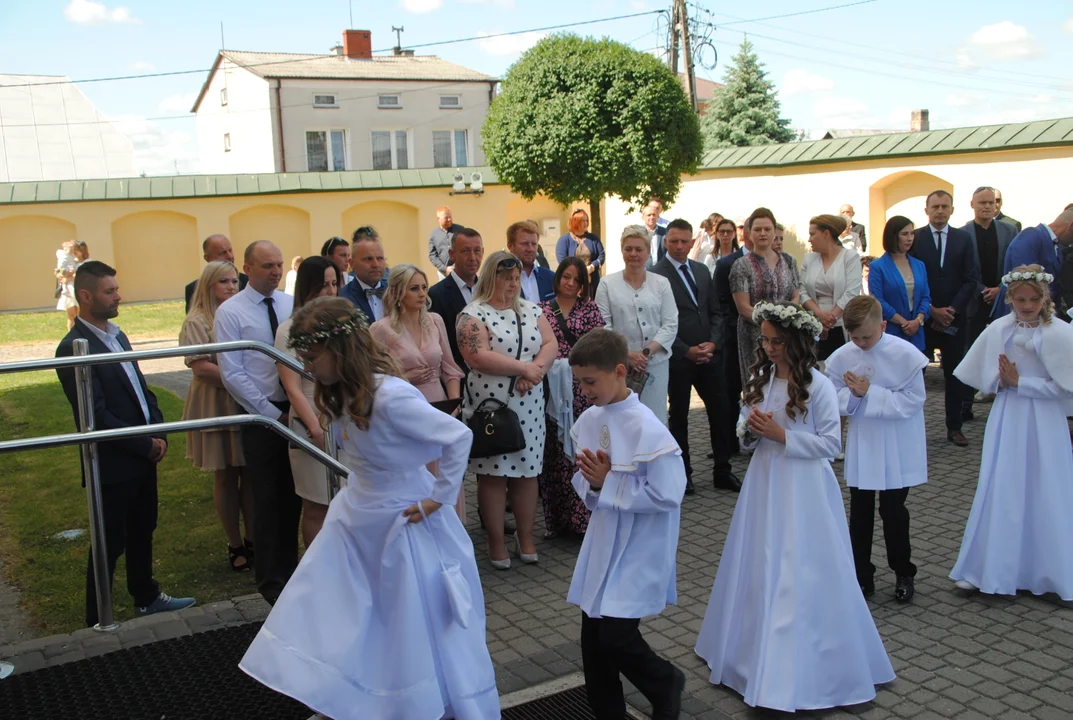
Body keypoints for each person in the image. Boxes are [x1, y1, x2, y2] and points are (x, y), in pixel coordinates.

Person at [240, 297, 500, 720]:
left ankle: (418, 700)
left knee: (407, 620)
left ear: (340, 350)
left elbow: (456, 437)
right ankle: (354, 695)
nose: (307, 367)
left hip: (403, 519)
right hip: (358, 516)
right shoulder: (342, 394)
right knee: (347, 614)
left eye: (312, 357)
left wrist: (439, 497)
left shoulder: (391, 396)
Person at [695, 301, 894, 712]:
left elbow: (831, 445)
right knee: (760, 560)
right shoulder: (760, 377)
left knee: (800, 564)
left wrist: (782, 436)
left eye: (777, 341)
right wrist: (750, 433)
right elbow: (744, 429)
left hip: (803, 486)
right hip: (765, 482)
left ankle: (809, 662)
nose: (769, 348)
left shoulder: (817, 386)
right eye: (765, 340)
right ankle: (751, 655)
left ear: (798, 342)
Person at [56, 261, 195, 626]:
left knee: (142, 529)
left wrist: (158, 431)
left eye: (116, 289)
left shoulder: (117, 335)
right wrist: (142, 444)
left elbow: (139, 388)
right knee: (108, 542)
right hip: (112, 462)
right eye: (109, 291)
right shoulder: (73, 348)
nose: (119, 296)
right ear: (85, 296)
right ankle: (95, 617)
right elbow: (96, 415)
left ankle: (146, 596)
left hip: (142, 453)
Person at [566, 328, 687, 720]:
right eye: (579, 382)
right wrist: (595, 482)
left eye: (590, 381)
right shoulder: (589, 418)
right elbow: (582, 476)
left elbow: (669, 492)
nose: (584, 390)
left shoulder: (645, 425)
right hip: (603, 541)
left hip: (637, 544)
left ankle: (664, 681)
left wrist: (610, 481)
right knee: (594, 643)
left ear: (619, 371)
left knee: (617, 637)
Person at [950, 265, 1073, 600]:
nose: (1027, 304)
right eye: (1021, 299)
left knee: (1045, 487)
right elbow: (983, 375)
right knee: (1001, 485)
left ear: (1044, 298)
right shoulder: (999, 330)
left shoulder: (1060, 333)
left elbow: (1066, 389)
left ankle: (1051, 572)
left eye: (1034, 298)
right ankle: (987, 568)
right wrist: (1001, 381)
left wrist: (1024, 383)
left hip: (1045, 420)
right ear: (1010, 298)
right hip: (1010, 415)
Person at [456, 250, 557, 569]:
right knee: (493, 475)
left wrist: (536, 369)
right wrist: (522, 369)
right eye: (506, 278)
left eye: (516, 278)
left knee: (528, 472)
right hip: (491, 407)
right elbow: (477, 357)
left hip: (529, 404)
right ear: (491, 278)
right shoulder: (472, 314)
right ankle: (496, 541)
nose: (513, 284)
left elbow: (550, 343)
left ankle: (525, 537)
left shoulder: (532, 309)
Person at [825, 296, 929, 602]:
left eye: (867, 336)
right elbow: (833, 399)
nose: (860, 343)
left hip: (896, 439)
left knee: (894, 510)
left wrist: (870, 393)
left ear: (883, 326)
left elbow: (913, 400)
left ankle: (903, 571)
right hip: (865, 440)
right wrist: (854, 397)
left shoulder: (905, 354)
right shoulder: (843, 356)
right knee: (860, 511)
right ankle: (861, 575)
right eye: (854, 337)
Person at [215, 240, 299, 606]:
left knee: (296, 496)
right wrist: (270, 413)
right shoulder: (231, 312)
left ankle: (294, 571)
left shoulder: (289, 304)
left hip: (295, 410)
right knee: (265, 500)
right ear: (247, 268)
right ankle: (271, 581)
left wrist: (295, 409)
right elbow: (233, 373)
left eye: (279, 264)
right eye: (267, 265)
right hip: (261, 416)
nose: (276, 272)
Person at [651, 218, 740, 494]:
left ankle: (723, 470)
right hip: (678, 358)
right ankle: (683, 474)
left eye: (684, 241)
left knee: (721, 410)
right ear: (666, 242)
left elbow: (715, 311)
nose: (679, 246)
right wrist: (685, 350)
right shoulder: (657, 275)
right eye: (674, 241)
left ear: (692, 242)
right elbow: (659, 322)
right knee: (679, 416)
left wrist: (713, 344)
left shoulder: (702, 270)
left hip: (709, 355)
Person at [371, 264, 465, 521]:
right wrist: (406, 378)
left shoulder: (435, 321)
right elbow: (372, 380)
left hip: (439, 406)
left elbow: (451, 369)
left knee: (442, 473)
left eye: (424, 287)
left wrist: (453, 406)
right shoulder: (380, 330)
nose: (422, 293)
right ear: (399, 293)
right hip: (404, 411)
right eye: (414, 288)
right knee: (416, 475)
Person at [179, 260, 252, 572]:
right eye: (223, 282)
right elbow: (199, 366)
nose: (231, 287)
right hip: (216, 400)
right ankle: (234, 543)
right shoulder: (196, 321)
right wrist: (239, 377)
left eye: (234, 281)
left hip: (242, 398)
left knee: (248, 472)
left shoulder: (239, 313)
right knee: (225, 473)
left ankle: (254, 539)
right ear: (208, 285)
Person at [274, 256, 340, 548]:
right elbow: (293, 388)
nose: (330, 291)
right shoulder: (289, 330)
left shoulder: (341, 325)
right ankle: (318, 571)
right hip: (311, 419)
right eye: (323, 284)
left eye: (334, 283)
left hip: (344, 419)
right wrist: (315, 429)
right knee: (317, 504)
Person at [537, 257, 604, 538]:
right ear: (558, 277)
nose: (570, 283)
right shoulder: (541, 309)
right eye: (566, 276)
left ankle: (582, 520)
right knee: (554, 455)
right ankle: (557, 520)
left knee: (580, 449)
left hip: (582, 389)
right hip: (552, 391)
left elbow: (599, 344)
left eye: (576, 280)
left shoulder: (590, 309)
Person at [910, 190, 980, 447]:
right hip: (923, 318)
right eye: (935, 206)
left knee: (955, 374)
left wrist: (951, 310)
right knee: (917, 373)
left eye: (945, 206)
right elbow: (913, 280)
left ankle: (955, 427)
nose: (940, 211)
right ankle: (912, 427)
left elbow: (971, 278)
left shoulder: (963, 239)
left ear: (952, 210)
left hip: (954, 318)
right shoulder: (915, 238)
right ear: (926, 209)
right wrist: (932, 310)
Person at [594, 225, 678, 424]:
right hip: (618, 365)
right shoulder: (607, 284)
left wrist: (646, 352)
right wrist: (628, 355)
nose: (633, 254)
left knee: (654, 419)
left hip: (655, 364)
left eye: (638, 249)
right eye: (628, 249)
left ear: (648, 252)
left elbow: (670, 323)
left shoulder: (661, 283)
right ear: (622, 251)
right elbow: (602, 326)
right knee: (621, 418)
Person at [730, 207, 801, 391]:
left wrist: (787, 318)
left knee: (788, 384)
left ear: (774, 232)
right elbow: (743, 307)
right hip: (755, 336)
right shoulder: (741, 265)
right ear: (749, 234)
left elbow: (796, 293)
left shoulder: (788, 260)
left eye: (767, 229)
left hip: (787, 334)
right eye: (757, 229)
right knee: (759, 386)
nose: (763, 233)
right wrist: (770, 323)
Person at [961, 186, 1016, 406]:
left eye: (990, 203)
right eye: (981, 202)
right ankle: (968, 400)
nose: (986, 206)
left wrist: (999, 289)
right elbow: (963, 269)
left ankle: (999, 387)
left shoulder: (1010, 231)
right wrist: (983, 289)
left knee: (1003, 345)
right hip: (975, 299)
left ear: (996, 205)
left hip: (1002, 298)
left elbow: (1013, 263)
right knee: (973, 347)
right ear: (972, 205)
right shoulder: (962, 234)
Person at [799, 214, 863, 361]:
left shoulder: (850, 258)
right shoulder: (809, 259)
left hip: (841, 323)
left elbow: (851, 292)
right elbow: (802, 290)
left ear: (826, 234)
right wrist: (820, 315)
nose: (809, 240)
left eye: (812, 234)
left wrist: (830, 319)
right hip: (814, 323)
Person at [994, 206, 1073, 320]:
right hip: (1018, 316)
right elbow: (1022, 280)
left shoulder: (1056, 246)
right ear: (1071, 226)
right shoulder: (1030, 236)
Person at [867, 216, 932, 352]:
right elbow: (877, 300)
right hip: (892, 333)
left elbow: (926, 297)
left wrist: (918, 321)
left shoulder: (919, 265)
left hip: (916, 334)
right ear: (893, 236)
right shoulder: (878, 266)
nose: (910, 238)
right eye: (904, 234)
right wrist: (904, 323)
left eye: (912, 233)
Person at [429, 227, 484, 372]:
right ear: (452, 254)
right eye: (465, 251)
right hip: (457, 377)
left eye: (477, 251)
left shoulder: (489, 290)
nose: (472, 257)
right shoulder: (436, 295)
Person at [714, 220, 751, 430]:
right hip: (732, 334)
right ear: (746, 233)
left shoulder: (777, 261)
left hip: (766, 337)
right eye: (756, 229)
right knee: (730, 388)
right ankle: (730, 440)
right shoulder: (726, 263)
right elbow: (718, 301)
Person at [184, 234, 249, 312]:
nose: (229, 256)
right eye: (222, 253)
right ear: (207, 258)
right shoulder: (194, 289)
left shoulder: (248, 282)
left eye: (230, 250)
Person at [339, 230, 388, 323]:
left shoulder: (396, 293)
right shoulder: (343, 298)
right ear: (352, 264)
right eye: (368, 259)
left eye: (380, 258)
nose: (376, 264)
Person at [556, 208, 606, 296]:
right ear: (575, 222)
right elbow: (562, 260)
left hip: (592, 282)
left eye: (587, 220)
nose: (586, 223)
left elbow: (601, 255)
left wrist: (592, 267)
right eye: (583, 221)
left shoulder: (593, 238)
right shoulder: (564, 240)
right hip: (572, 283)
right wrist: (579, 272)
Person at [507, 220, 555, 304]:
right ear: (511, 246)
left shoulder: (550, 278)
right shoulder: (500, 279)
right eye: (525, 244)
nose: (530, 249)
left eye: (534, 244)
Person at [56, 239, 89, 330]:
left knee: (80, 315)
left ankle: (83, 335)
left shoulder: (87, 262)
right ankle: (72, 337)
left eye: (76, 249)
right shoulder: (69, 260)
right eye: (73, 249)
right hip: (68, 290)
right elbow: (59, 271)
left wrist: (68, 277)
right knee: (71, 315)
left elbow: (81, 274)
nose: (74, 252)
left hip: (79, 289)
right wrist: (60, 274)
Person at [428, 205, 463, 278]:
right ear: (438, 218)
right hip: (443, 273)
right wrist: (444, 268)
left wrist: (455, 266)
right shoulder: (434, 235)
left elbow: (466, 248)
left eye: (450, 217)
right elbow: (432, 256)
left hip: (461, 270)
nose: (449, 219)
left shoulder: (460, 230)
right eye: (446, 218)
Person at [642, 200, 669, 269]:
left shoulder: (665, 232)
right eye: (649, 215)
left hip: (661, 270)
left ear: (658, 217)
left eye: (654, 215)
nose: (652, 217)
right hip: (643, 271)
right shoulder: (638, 233)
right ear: (643, 217)